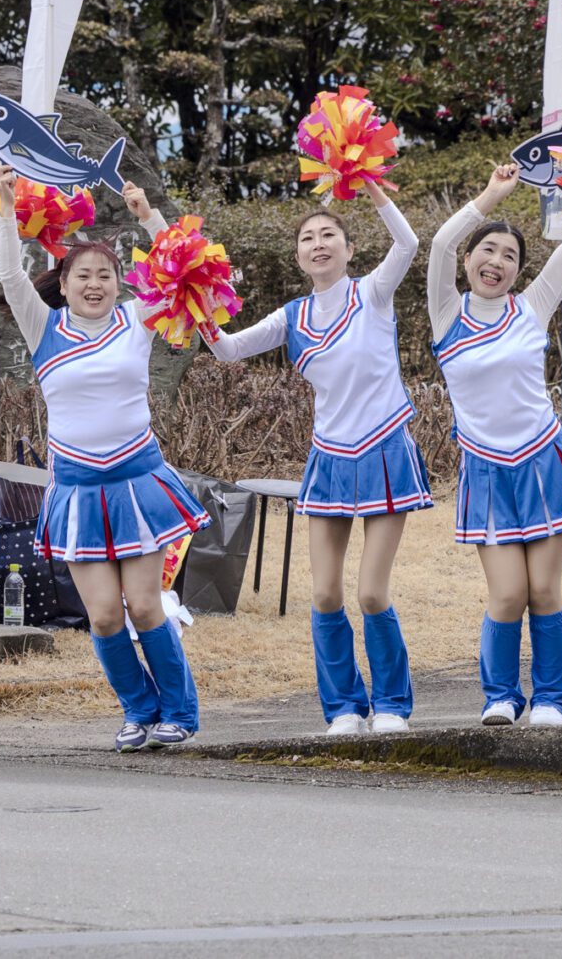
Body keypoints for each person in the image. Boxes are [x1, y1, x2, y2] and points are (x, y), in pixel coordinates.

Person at [0, 164, 210, 751]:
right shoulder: (44, 327)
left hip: (137, 483)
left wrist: (150, 217)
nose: (95, 285)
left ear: (120, 283)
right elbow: (10, 273)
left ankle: (179, 712)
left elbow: (185, 273)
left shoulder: (138, 319)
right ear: (63, 284)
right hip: (78, 491)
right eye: (83, 275)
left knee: (145, 605)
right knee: (105, 616)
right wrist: (8, 210)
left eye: (106, 275)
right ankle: (138, 710)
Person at [201, 186, 429, 736]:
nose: (318, 244)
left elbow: (408, 243)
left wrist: (370, 187)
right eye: (308, 238)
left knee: (371, 592)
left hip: (385, 450)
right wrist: (195, 307)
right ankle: (344, 708)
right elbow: (228, 349)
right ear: (299, 256)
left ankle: (392, 705)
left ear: (349, 250)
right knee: (325, 594)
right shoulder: (293, 316)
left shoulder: (373, 293)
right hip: (329, 457)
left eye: (329, 235)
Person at [428, 164, 562, 727]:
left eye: (510, 255)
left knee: (544, 590)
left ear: (518, 271)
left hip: (546, 465)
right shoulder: (446, 313)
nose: (497, 261)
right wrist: (491, 196)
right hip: (486, 472)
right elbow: (438, 243)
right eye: (488, 250)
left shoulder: (532, 308)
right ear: (468, 259)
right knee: (508, 594)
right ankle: (501, 697)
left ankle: (552, 700)